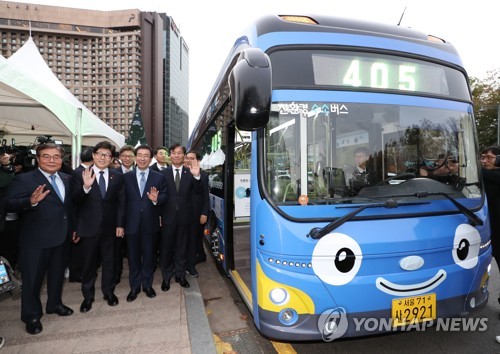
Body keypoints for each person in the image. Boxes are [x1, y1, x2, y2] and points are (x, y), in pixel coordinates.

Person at [7, 143, 74, 335]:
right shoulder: (24, 179)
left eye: (56, 157)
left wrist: (73, 229)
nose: (52, 160)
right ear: (38, 159)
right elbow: (9, 204)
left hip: (62, 237)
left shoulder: (67, 179)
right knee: (33, 280)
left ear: (62, 160)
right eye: (46, 156)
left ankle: (55, 304)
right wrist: (30, 202)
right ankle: (31, 316)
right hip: (35, 240)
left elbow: (69, 208)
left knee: (57, 275)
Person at [71, 141, 125, 313]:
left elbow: (120, 203)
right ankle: (88, 296)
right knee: (88, 264)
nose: (103, 157)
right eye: (100, 154)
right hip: (88, 228)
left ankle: (109, 292)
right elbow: (74, 201)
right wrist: (86, 187)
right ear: (93, 155)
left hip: (110, 229)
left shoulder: (117, 176)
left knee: (110, 263)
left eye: (107, 155)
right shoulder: (80, 174)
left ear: (111, 158)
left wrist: (120, 224)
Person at [123, 145, 167, 302]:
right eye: (139, 155)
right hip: (131, 224)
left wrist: (156, 200)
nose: (142, 158)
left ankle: (147, 285)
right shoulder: (126, 177)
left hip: (151, 223)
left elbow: (165, 196)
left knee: (149, 256)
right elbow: (122, 202)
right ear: (135, 157)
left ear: (150, 158)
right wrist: (120, 224)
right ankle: (134, 287)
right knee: (133, 258)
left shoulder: (158, 177)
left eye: (146, 156)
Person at [159, 144, 202, 291]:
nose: (176, 155)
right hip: (167, 218)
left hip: (185, 218)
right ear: (170, 155)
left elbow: (198, 192)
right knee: (166, 249)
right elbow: (160, 195)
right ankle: (166, 277)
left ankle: (180, 275)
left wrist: (196, 176)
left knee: (182, 248)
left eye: (179, 153)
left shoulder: (190, 172)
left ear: (184, 156)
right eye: (173, 153)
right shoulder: (162, 174)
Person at [68, 146, 94, 283]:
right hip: (80, 218)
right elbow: (75, 199)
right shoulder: (80, 173)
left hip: (83, 219)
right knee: (79, 250)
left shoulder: (80, 171)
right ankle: (78, 274)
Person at [113, 145, 136, 284]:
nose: (127, 159)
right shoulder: (113, 173)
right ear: (120, 157)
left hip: (135, 216)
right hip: (117, 217)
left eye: (130, 156)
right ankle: (117, 273)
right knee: (117, 248)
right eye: (124, 156)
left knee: (133, 248)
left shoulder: (142, 172)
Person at [184, 150, 209, 273]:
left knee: (194, 240)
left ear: (197, 161)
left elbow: (206, 197)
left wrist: (204, 213)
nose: (188, 160)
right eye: (187, 158)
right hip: (182, 215)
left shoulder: (203, 176)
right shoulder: (180, 173)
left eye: (192, 158)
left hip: (197, 214)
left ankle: (191, 265)